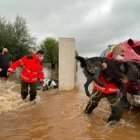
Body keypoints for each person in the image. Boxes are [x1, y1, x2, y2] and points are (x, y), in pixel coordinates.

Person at [85, 45, 126, 124]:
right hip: (99, 89)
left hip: (113, 92)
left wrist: (126, 81)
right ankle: (86, 117)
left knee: (118, 112)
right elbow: (91, 72)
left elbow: (126, 78)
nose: (124, 54)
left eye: (125, 52)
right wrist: (100, 69)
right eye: (122, 51)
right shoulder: (102, 60)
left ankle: (110, 128)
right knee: (90, 106)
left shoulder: (123, 65)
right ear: (115, 51)